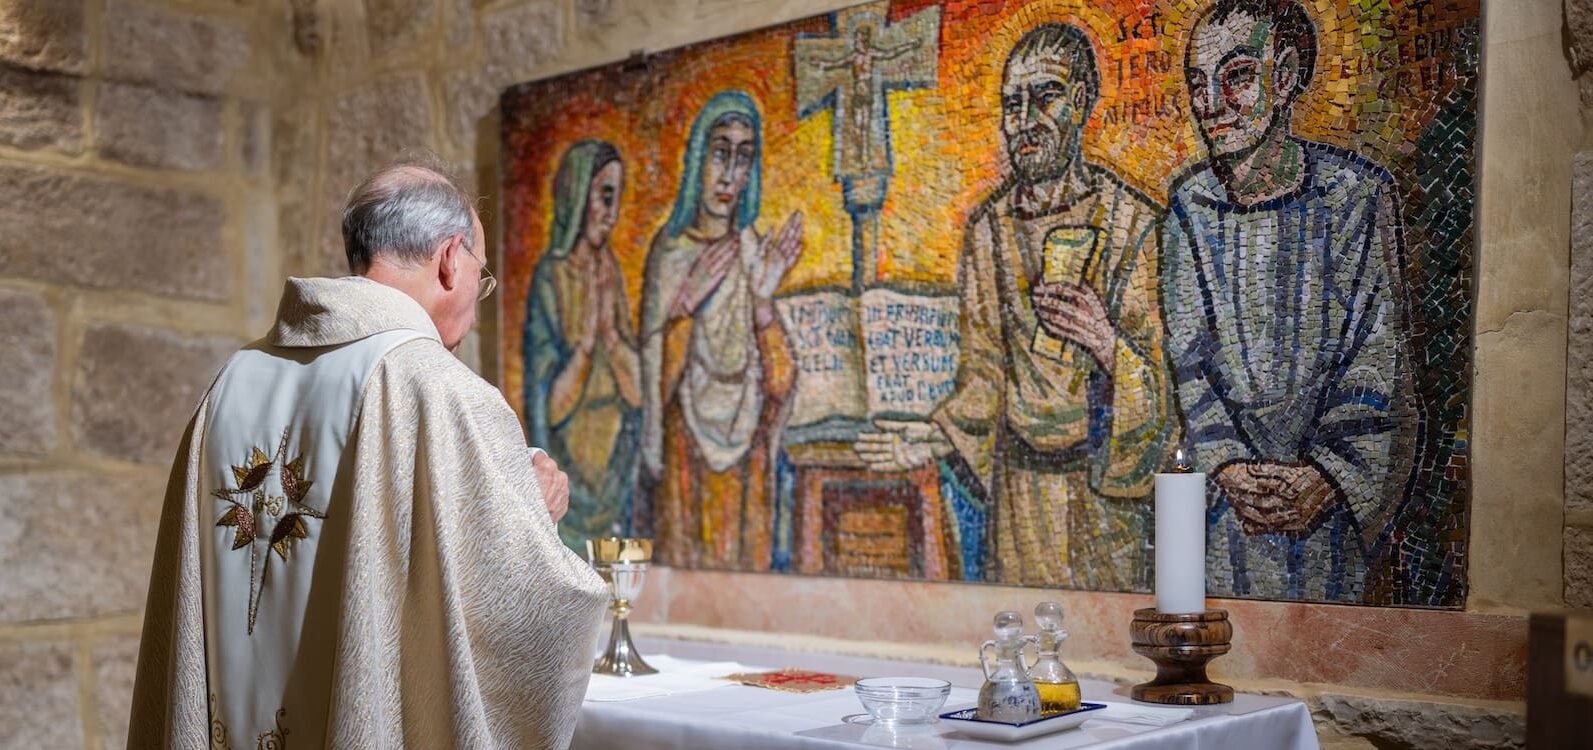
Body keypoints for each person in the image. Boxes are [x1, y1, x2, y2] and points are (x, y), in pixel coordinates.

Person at [128, 161, 609, 748]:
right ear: (451, 258)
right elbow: (519, 619)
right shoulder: (436, 389)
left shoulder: (232, 382)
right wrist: (530, 514)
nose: (477, 307)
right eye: (481, 279)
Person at [853, 24, 1172, 588]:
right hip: (1020, 496)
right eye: (1011, 104)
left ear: (1081, 102)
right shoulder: (989, 230)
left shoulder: (1134, 223)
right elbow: (983, 374)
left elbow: (1165, 393)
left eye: (1045, 96)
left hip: (1106, 503)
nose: (1024, 120)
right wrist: (933, 436)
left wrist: (1102, 338)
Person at [1161, 0, 1416, 601]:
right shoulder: (1188, 208)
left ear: (1287, 73)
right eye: (1198, 84)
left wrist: (1326, 476)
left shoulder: (1355, 198)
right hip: (1228, 509)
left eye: (1238, 76)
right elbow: (1189, 365)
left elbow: (1376, 357)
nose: (1212, 105)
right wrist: (1224, 465)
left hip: (1327, 506)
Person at [640, 90, 803, 571]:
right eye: (720, 153)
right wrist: (686, 303)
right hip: (686, 450)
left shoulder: (754, 252)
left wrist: (762, 299)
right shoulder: (669, 253)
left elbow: (780, 382)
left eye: (744, 157)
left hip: (746, 455)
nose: (730, 173)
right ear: (697, 160)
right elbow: (657, 379)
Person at [525, 140, 644, 550]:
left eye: (617, 198)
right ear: (577, 195)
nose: (612, 214)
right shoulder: (551, 278)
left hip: (613, 470)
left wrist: (611, 337)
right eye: (604, 196)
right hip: (570, 466)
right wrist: (587, 344)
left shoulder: (612, 273)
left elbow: (636, 395)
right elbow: (548, 406)